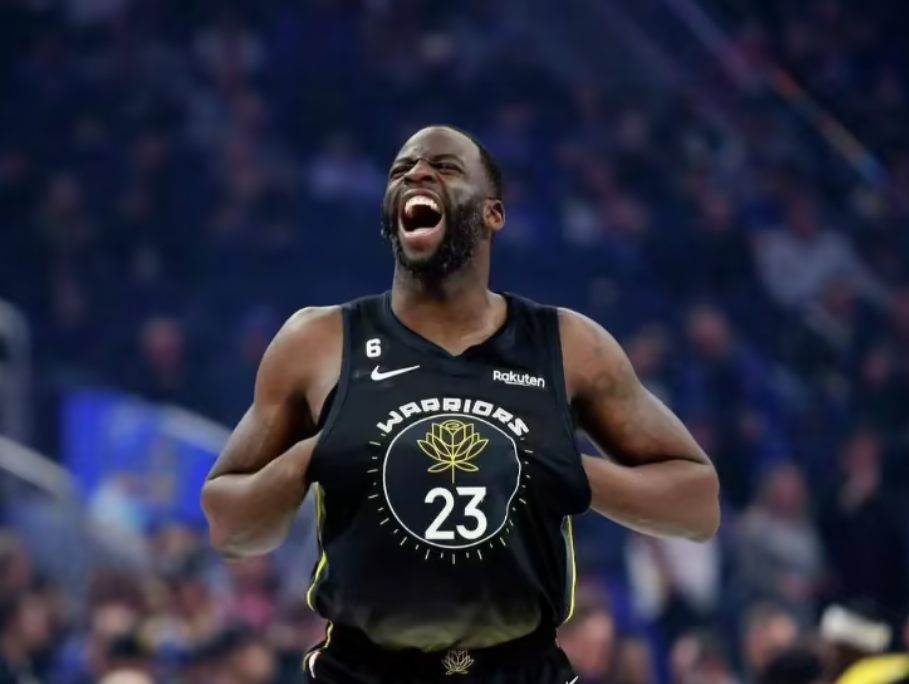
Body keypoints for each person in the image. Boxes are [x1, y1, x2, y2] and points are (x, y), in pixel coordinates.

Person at [201, 126, 720, 683]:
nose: (417, 174)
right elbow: (229, 527)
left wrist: (576, 472)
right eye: (401, 171)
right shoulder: (317, 342)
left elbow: (697, 505)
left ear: (493, 214)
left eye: (445, 167)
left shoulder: (569, 345)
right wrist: (304, 461)